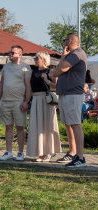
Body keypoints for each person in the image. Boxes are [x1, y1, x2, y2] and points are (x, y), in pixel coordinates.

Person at [53, 33, 87, 167]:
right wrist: (61, 65)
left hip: (73, 94)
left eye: (65, 40)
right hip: (66, 93)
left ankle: (81, 157)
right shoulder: (72, 55)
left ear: (70, 41)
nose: (63, 42)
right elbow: (56, 72)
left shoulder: (76, 54)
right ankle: (73, 153)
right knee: (69, 124)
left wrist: (62, 56)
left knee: (75, 124)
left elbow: (59, 69)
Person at [0, 45, 32, 161]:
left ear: (20, 55)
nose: (10, 54)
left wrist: (26, 101)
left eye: (13, 52)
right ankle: (8, 152)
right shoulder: (6, 67)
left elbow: (28, 85)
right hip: (5, 101)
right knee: (8, 127)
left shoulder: (25, 67)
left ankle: (21, 152)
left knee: (20, 127)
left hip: (19, 102)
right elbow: (1, 83)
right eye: (9, 52)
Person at [26, 52, 61, 161]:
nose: (34, 59)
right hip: (35, 100)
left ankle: (48, 152)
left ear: (44, 59)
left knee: (47, 126)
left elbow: (57, 87)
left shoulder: (50, 71)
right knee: (36, 126)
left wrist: (47, 81)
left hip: (46, 100)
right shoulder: (33, 72)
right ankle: (40, 152)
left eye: (37, 58)